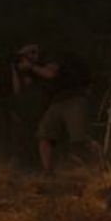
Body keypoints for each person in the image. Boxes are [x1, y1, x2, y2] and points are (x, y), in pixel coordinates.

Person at [12, 42, 96, 173]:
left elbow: (51, 74)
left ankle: (99, 162)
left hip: (73, 98)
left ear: (33, 52)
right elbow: (19, 90)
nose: (25, 59)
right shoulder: (34, 67)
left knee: (79, 140)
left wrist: (31, 67)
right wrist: (16, 71)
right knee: (44, 135)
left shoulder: (51, 56)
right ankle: (48, 172)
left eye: (26, 55)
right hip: (56, 102)